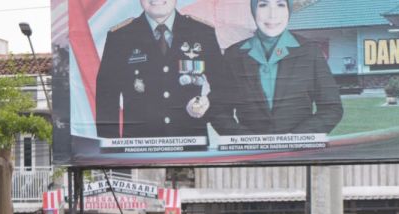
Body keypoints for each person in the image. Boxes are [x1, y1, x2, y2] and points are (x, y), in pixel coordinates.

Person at [95, 0, 224, 140]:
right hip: (139, 146)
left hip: (191, 142)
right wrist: (110, 147)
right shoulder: (120, 36)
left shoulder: (202, 32)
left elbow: (225, 88)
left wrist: (206, 105)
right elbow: (106, 98)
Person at [212, 0, 343, 136]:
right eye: (263, 5)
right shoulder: (234, 55)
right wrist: (248, 140)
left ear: (289, 10)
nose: (272, 14)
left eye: (280, 5)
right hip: (250, 148)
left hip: (299, 148)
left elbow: (332, 108)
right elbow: (218, 112)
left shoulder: (310, 51)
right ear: (253, 10)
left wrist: (296, 138)